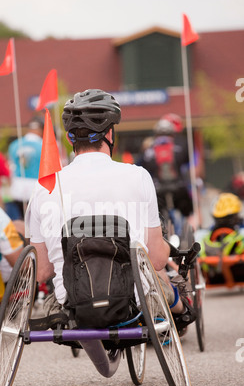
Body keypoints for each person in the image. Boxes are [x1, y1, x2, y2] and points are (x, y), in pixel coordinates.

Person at [27, 89, 195, 330]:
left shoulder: (44, 187)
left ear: (69, 137)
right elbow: (158, 259)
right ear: (109, 133)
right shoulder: (137, 176)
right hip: (133, 299)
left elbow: (42, 272)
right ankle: (182, 310)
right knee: (157, 272)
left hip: (72, 303)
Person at [137, 114, 193, 219]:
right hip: (179, 187)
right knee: (187, 214)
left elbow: (140, 166)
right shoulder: (179, 147)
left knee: (156, 215)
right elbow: (188, 163)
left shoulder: (149, 150)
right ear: (172, 134)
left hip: (157, 189)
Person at [7, 116, 44, 220]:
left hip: (17, 187)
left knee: (22, 219)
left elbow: (11, 168)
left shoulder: (14, 145)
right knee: (35, 221)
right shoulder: (43, 145)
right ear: (40, 130)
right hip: (36, 187)